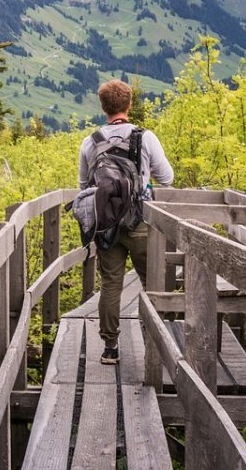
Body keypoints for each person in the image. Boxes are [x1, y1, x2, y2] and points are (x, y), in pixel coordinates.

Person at [78, 79, 173, 364]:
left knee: (110, 284)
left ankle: (110, 348)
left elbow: (84, 185)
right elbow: (167, 178)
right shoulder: (146, 138)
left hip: (106, 223)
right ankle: (154, 343)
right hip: (141, 220)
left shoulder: (90, 142)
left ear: (103, 106)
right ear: (129, 104)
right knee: (152, 282)